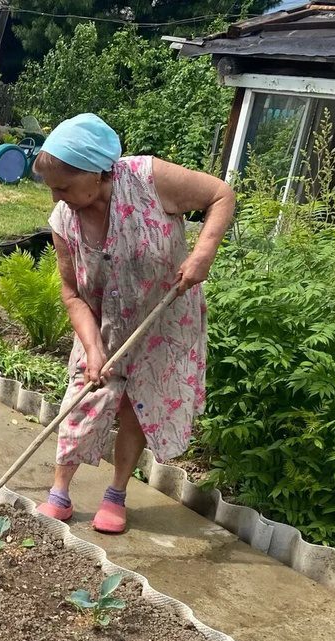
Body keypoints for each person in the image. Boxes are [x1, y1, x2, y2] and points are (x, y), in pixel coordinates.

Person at [32, 113, 235, 534]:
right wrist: (92, 349)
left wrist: (203, 253)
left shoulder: (148, 178)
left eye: (63, 186)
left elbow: (220, 194)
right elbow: (72, 294)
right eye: (51, 187)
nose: (56, 197)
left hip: (162, 320)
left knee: (134, 406)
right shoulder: (64, 221)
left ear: (96, 173)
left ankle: (116, 494)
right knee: (83, 396)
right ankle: (60, 492)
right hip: (103, 323)